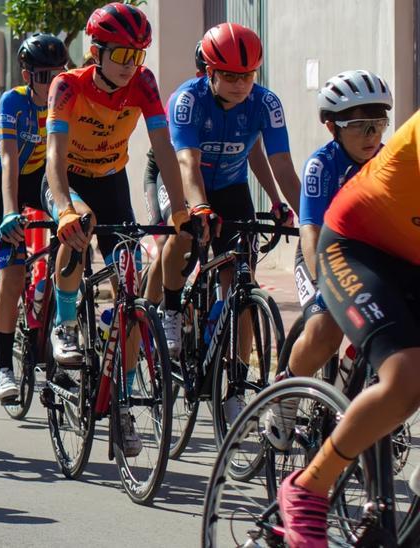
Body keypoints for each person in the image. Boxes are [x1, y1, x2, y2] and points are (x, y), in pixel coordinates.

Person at [43, 3, 193, 457]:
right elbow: (53, 157)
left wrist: (182, 210)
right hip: (66, 180)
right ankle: (66, 323)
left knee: (129, 285)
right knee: (79, 227)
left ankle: (123, 403)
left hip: (111, 182)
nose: (131, 67)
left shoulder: (144, 85)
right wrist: (66, 209)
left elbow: (164, 150)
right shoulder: (66, 86)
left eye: (138, 56)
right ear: (95, 51)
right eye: (122, 57)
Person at [276, 107, 420, 548]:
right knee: (406, 375)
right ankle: (309, 486)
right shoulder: (324, 163)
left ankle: (382, 510)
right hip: (358, 244)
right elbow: (309, 225)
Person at [149, 25, 300, 419]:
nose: (239, 84)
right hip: (182, 180)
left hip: (231, 187)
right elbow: (187, 163)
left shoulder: (266, 103)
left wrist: (299, 211)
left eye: (247, 75)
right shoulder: (188, 100)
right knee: (183, 231)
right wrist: (197, 208)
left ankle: (235, 383)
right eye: (230, 76)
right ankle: (171, 311)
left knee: (242, 284)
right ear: (209, 72)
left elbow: (281, 164)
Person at [262, 70, 393, 451]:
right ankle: (284, 399)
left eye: (379, 125)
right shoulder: (323, 165)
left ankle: (352, 391)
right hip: (322, 253)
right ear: (332, 127)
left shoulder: (388, 162)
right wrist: (329, 288)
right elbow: (311, 234)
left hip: (370, 255)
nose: (373, 136)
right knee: (325, 330)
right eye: (361, 127)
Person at [0, 33, 68, 402]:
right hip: (8, 182)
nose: (51, 83)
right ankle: (4, 366)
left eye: (58, 73)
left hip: (43, 179)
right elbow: (7, 159)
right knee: (14, 270)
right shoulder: (12, 101)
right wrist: (8, 212)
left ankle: (53, 322)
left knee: (73, 237)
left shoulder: (67, 97)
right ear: (26, 75)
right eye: (42, 76)